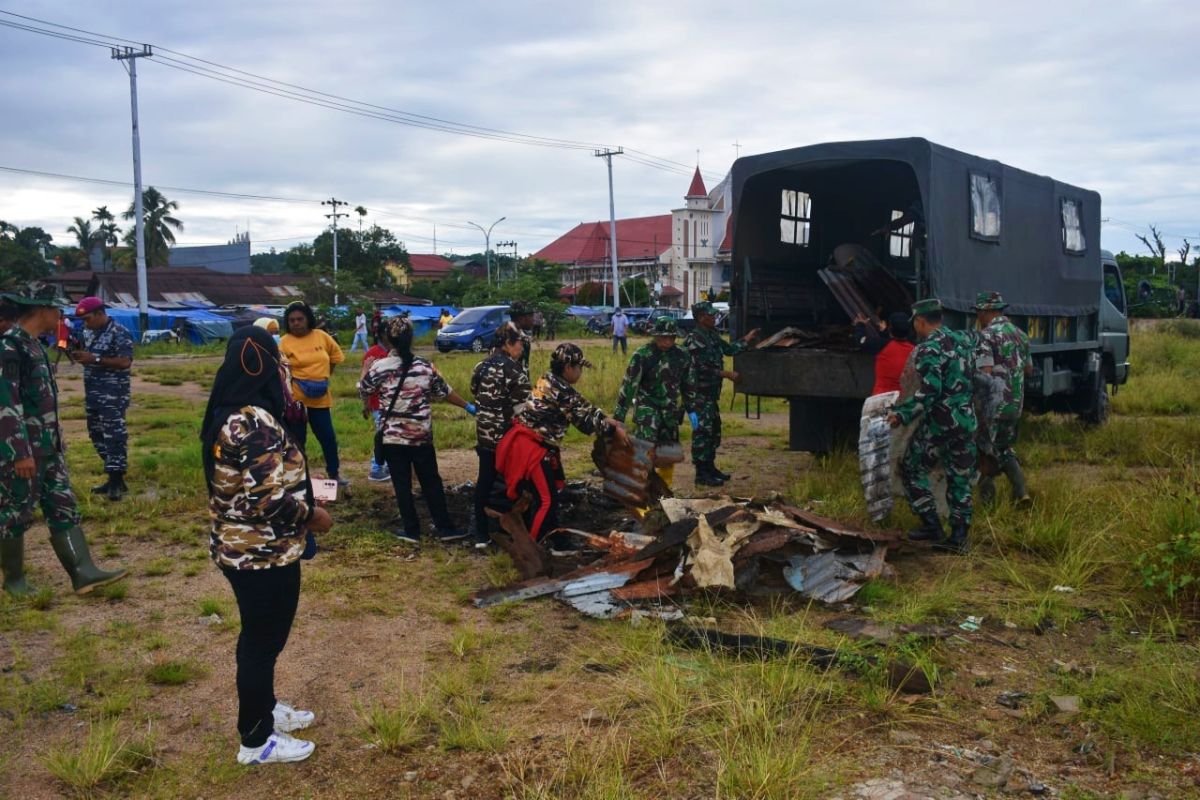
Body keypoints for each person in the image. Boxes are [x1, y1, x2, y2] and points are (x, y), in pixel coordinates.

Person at [201, 325, 333, 766]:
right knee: (261, 642)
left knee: (262, 640)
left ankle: (266, 707)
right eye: (279, 361)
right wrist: (315, 516)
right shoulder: (253, 422)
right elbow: (268, 500)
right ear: (261, 366)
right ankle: (256, 741)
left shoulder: (230, 411)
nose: (285, 369)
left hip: (243, 548)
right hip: (261, 554)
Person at [0, 284, 128, 596]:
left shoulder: (33, 345)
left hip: (48, 447)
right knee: (15, 513)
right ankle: (14, 581)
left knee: (63, 507)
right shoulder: (10, 347)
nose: (61, 315)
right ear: (41, 311)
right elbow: (6, 404)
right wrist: (18, 452)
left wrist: (56, 442)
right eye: (56, 309)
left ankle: (83, 572)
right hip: (24, 449)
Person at [358, 316, 476, 544]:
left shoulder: (379, 367)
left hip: (393, 437)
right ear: (410, 338)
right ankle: (445, 528)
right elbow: (445, 391)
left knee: (402, 484)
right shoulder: (424, 366)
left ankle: (411, 530)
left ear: (386, 339)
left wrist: (365, 374)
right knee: (431, 482)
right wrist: (468, 406)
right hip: (420, 436)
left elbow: (364, 389)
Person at [497, 343, 629, 542]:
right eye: (579, 368)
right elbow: (585, 424)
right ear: (568, 368)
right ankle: (535, 546)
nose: (581, 372)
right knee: (546, 500)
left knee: (551, 493)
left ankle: (554, 536)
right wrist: (612, 429)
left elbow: (582, 403)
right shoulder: (559, 390)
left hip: (537, 445)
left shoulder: (550, 379)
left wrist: (604, 417)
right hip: (532, 449)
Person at [887, 299, 978, 554]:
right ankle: (959, 538)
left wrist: (900, 414)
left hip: (941, 424)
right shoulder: (963, 341)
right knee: (960, 478)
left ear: (920, 321)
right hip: (967, 421)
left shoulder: (929, 349)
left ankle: (931, 524)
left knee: (911, 467)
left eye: (915, 322)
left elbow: (930, 391)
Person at [614, 316, 696, 489]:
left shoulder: (682, 355)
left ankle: (664, 491)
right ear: (656, 335)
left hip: (670, 410)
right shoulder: (643, 355)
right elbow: (629, 386)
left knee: (668, 453)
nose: (667, 341)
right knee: (645, 451)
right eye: (664, 337)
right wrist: (618, 418)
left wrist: (691, 408)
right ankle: (641, 490)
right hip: (647, 409)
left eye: (671, 337)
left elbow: (688, 384)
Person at [468, 323, 531, 547]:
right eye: (520, 343)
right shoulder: (515, 371)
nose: (522, 348)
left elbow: (474, 391)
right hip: (508, 440)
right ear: (508, 343)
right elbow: (524, 410)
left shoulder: (480, 366)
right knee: (516, 484)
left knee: (484, 482)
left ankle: (481, 534)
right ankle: (516, 531)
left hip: (484, 436)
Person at [684, 301, 760, 486]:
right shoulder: (695, 339)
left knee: (713, 431)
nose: (714, 318)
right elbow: (700, 368)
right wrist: (726, 374)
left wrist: (746, 339)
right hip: (698, 395)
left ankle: (710, 468)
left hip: (710, 394)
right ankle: (701, 474)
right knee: (702, 432)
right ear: (701, 318)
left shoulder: (712, 335)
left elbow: (728, 350)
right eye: (711, 315)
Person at [69, 297, 134, 501]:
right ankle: (115, 479)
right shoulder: (89, 332)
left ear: (99, 313)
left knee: (114, 436)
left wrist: (94, 359)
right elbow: (89, 357)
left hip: (113, 393)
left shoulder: (119, 332)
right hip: (93, 393)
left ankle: (116, 479)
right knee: (96, 434)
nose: (85, 324)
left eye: (87, 319)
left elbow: (125, 362)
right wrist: (79, 356)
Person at [972, 291, 1032, 504]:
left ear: (986, 311)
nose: (977, 316)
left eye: (978, 312)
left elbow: (985, 372)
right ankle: (1021, 492)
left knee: (983, 449)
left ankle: (988, 504)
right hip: (1015, 403)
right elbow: (1028, 369)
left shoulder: (986, 336)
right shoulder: (1020, 334)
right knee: (1005, 448)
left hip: (993, 406)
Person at [279, 301, 347, 486]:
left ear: (308, 319)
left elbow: (335, 357)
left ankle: (334, 474)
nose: (296, 323)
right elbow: (281, 371)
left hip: (321, 400)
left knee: (328, 439)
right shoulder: (284, 342)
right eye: (292, 320)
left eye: (300, 319)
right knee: (297, 442)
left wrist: (322, 378)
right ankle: (299, 479)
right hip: (296, 403)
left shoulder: (322, 336)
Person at [854, 311, 915, 396]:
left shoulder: (881, 345)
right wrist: (885, 332)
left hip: (882, 399)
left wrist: (860, 325)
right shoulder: (915, 349)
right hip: (905, 399)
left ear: (891, 329)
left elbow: (860, 341)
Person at [360, 319, 391, 483]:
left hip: (388, 403)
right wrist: (365, 405)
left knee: (386, 435)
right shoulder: (373, 353)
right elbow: (365, 382)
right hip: (378, 403)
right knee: (382, 436)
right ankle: (376, 468)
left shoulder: (391, 352)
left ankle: (384, 466)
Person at [507, 301, 536, 373]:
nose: (533, 319)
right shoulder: (521, 339)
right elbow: (523, 370)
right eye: (531, 316)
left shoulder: (500, 333)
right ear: (521, 318)